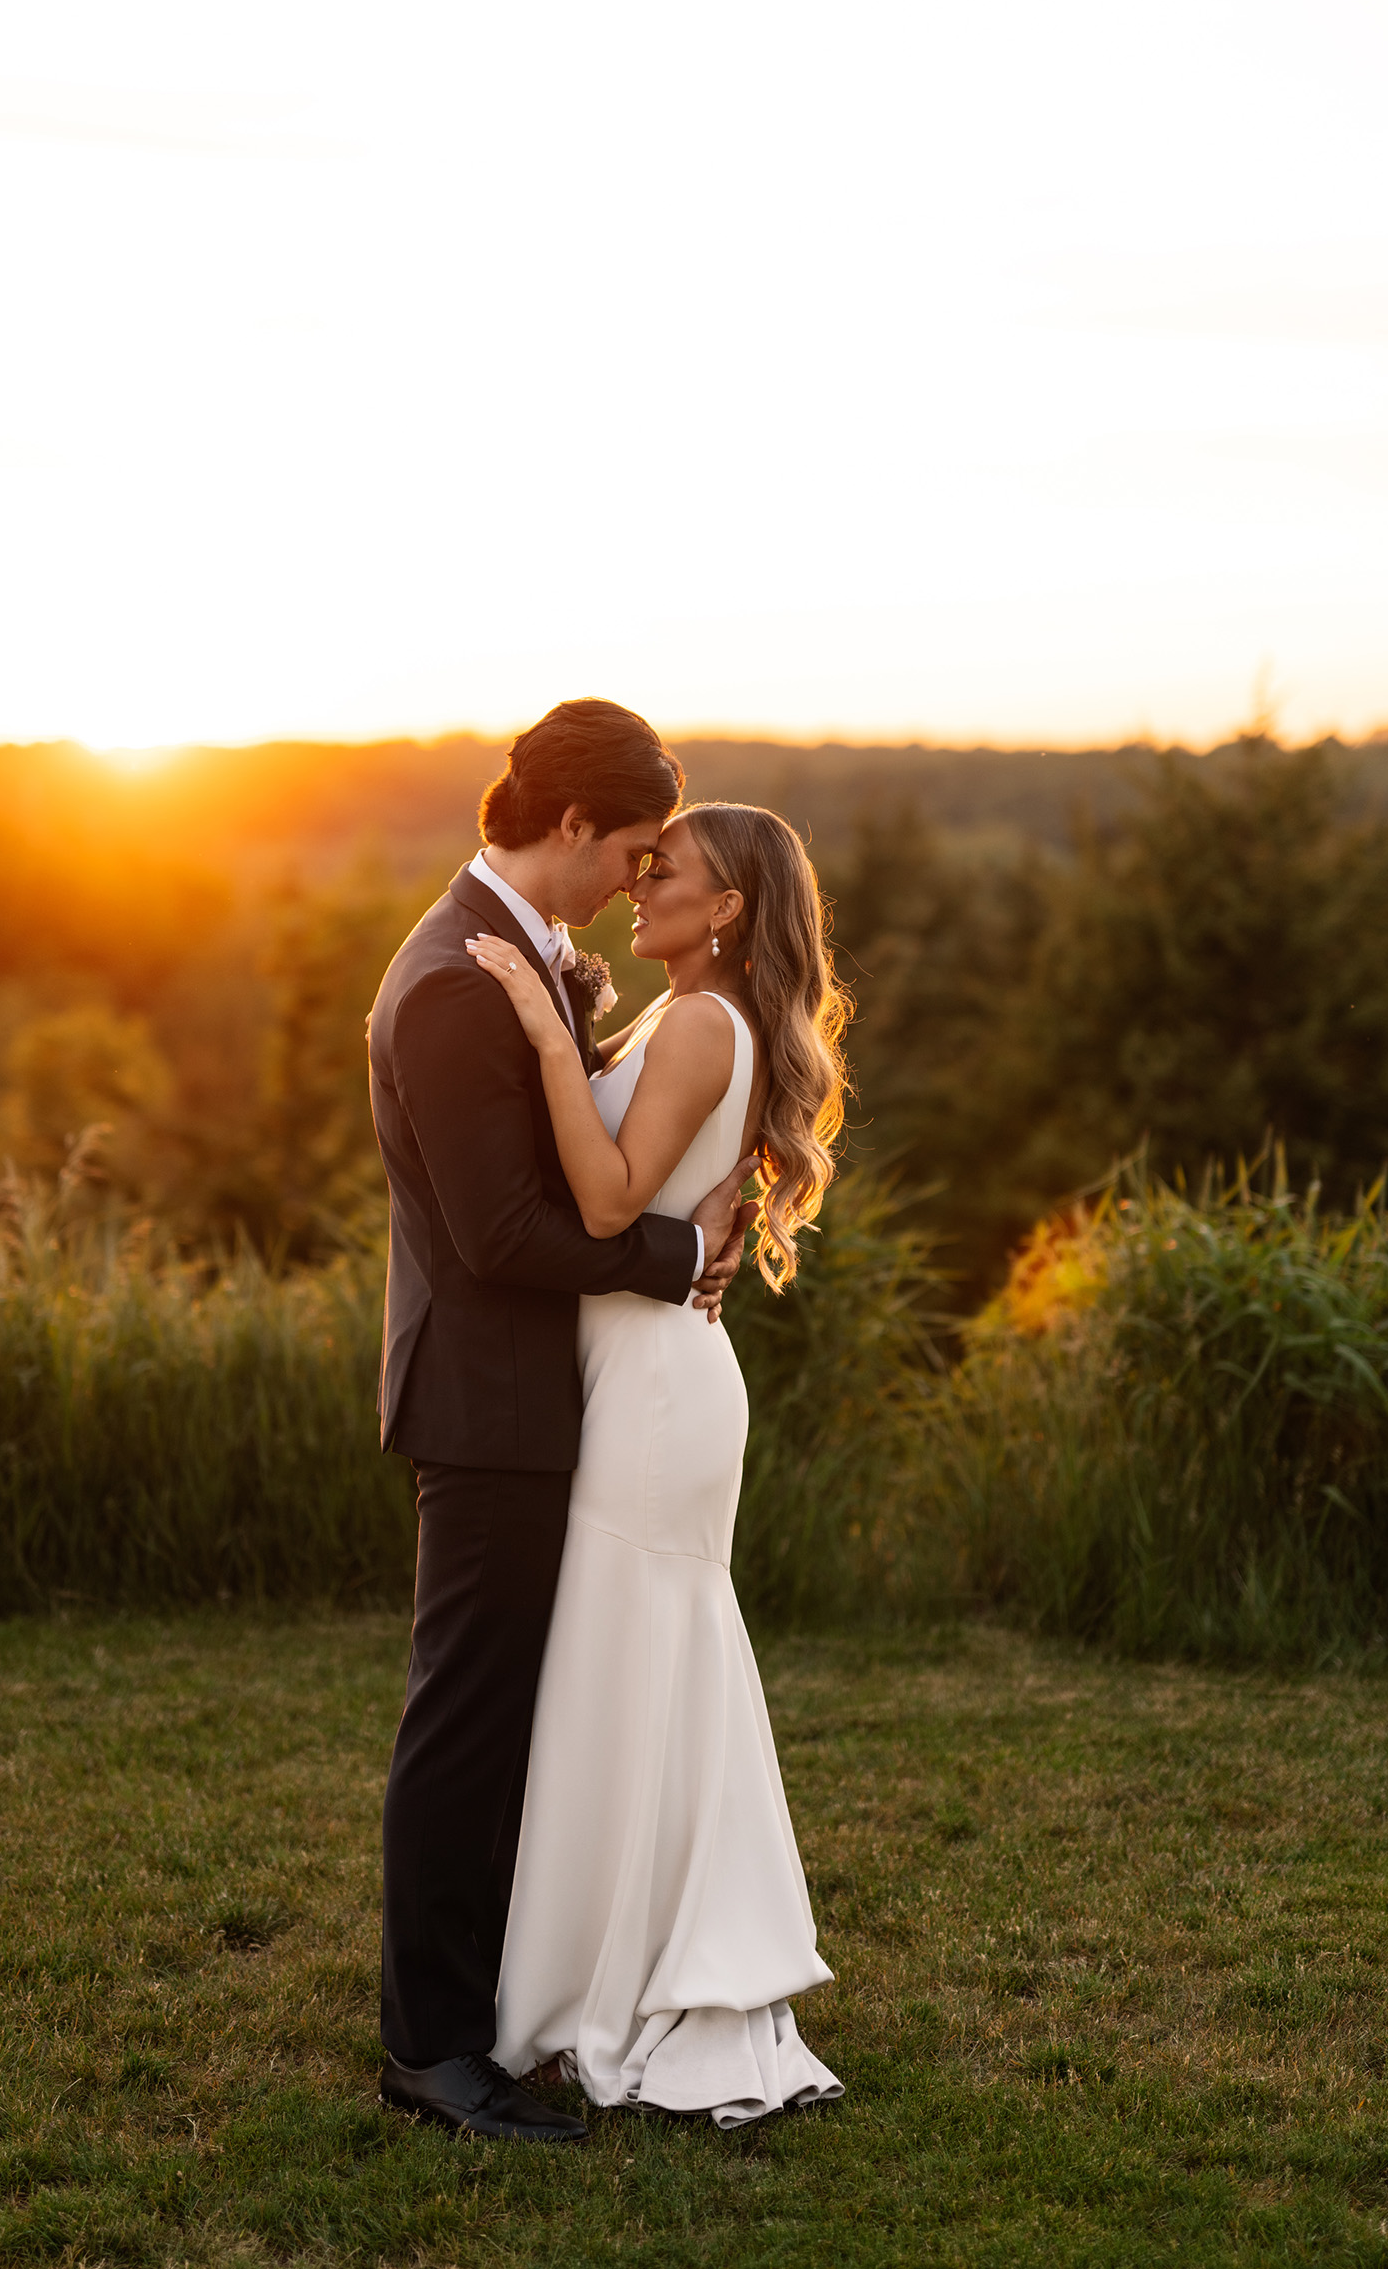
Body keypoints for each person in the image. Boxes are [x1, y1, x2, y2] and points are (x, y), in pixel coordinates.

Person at [367, 700, 757, 2143]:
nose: (635, 883)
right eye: (636, 850)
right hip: (489, 1404)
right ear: (576, 824)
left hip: (550, 1400)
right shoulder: (462, 985)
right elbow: (499, 1236)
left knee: (513, 1716)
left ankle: (496, 2007)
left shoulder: (525, 959)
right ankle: (430, 2049)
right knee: (464, 1723)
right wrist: (672, 1255)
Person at [468, 799, 850, 2127]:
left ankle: (614, 1993)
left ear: (729, 905)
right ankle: (619, 1968)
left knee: (627, 1665)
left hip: (653, 1395)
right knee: (630, 1668)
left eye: (665, 870)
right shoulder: (682, 1013)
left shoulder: (702, 1019)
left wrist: (541, 1043)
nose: (640, 884)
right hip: (639, 1375)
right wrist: (574, 1024)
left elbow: (609, 1201)